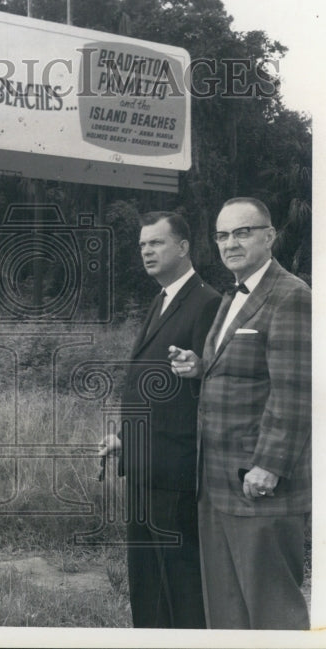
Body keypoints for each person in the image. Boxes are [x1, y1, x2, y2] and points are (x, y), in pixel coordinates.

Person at [170, 196, 311, 630]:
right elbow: (246, 371)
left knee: (271, 612)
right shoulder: (232, 292)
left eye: (242, 232)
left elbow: (295, 391)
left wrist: (268, 465)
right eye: (222, 234)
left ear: (269, 236)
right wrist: (200, 368)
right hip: (214, 482)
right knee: (226, 611)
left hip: (259, 486)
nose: (230, 243)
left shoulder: (291, 295)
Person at [98, 211, 221, 628]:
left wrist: (201, 367)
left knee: (180, 584)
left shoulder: (207, 303)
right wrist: (126, 442)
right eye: (143, 245)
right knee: (147, 583)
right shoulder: (162, 298)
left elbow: (208, 387)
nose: (147, 251)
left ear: (184, 247)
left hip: (176, 472)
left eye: (157, 243)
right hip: (145, 466)